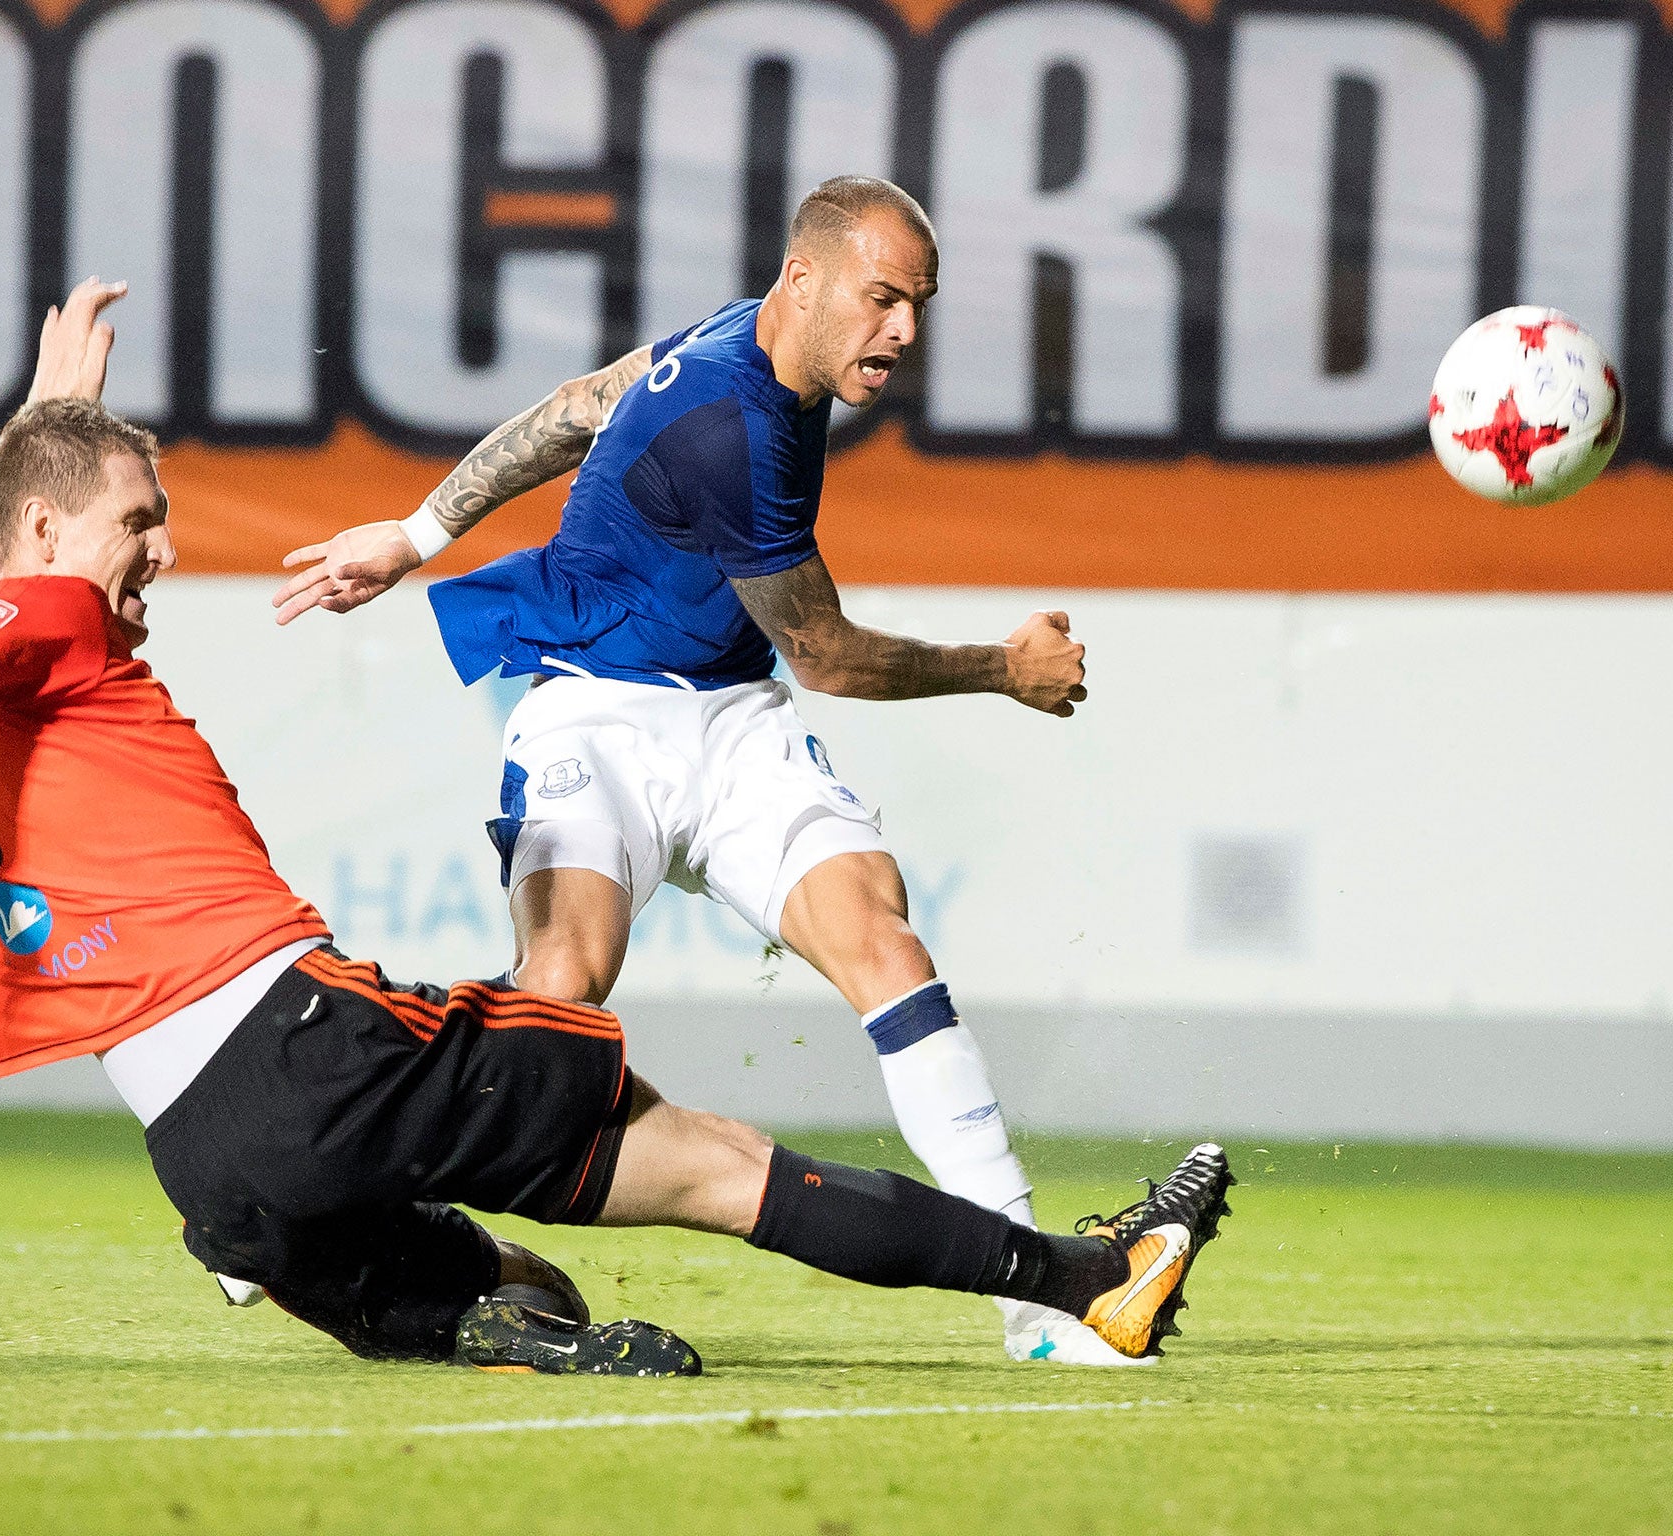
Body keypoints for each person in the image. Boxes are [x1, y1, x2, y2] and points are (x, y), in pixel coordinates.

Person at [0, 280, 1235, 1375]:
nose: (161, 554)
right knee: (719, 1165)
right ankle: (1077, 1286)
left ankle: (444, 1311)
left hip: (206, 1164)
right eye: (137, 521)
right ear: (51, 536)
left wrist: (39, 415)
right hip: (306, 1048)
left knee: (528, 1289)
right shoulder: (42, 622)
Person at [270, 177, 1117, 1364]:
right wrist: (1002, 669)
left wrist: (414, 537)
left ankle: (1045, 1305)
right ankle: (315, 1191)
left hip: (728, 723)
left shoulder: (740, 332)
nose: (904, 334)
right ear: (805, 280)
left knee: (884, 944)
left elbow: (574, 408)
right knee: (562, 985)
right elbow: (824, 655)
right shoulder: (732, 425)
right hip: (589, 713)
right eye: (883, 300)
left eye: (918, 306)